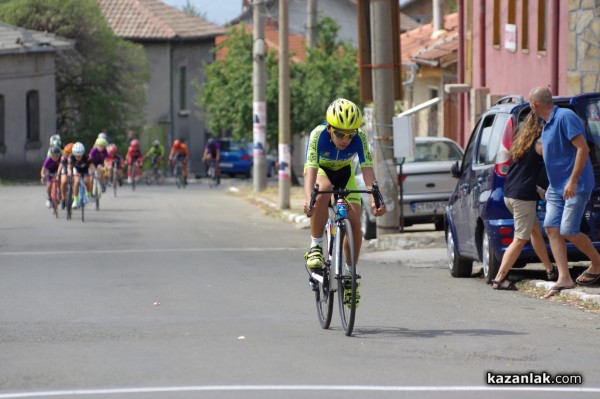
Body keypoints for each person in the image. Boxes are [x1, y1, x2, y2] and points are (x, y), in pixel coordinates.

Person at [302, 98, 386, 304]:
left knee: (355, 220)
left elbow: (367, 169)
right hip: (323, 171)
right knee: (323, 190)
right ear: (330, 128)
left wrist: (375, 198)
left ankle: (350, 276)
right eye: (339, 133)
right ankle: (316, 247)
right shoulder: (317, 135)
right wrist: (308, 200)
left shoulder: (361, 138)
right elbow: (310, 168)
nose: (345, 139)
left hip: (345, 172)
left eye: (350, 135)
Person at [529, 86, 600, 297]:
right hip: (556, 188)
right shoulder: (545, 125)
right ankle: (564, 277)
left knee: (568, 230)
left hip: (575, 186)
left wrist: (572, 180)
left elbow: (583, 149)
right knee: (551, 227)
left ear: (535, 104)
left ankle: (597, 263)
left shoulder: (565, 117)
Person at [492, 112, 557, 290]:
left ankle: (550, 270)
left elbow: (522, 172)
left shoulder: (520, 143)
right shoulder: (539, 144)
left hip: (510, 194)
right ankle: (499, 279)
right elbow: (553, 161)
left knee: (534, 230)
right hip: (522, 198)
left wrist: (537, 189)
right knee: (520, 239)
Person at [68, 142, 92, 209]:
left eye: (80, 156)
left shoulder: (87, 157)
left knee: (87, 181)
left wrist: (92, 172)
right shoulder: (71, 157)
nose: (78, 157)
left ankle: (88, 195)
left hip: (85, 169)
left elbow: (91, 166)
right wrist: (70, 172)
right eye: (76, 156)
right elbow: (69, 167)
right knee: (76, 182)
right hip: (76, 170)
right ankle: (75, 200)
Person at [58, 142, 74, 209]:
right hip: (65, 168)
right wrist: (58, 174)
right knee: (64, 181)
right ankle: (63, 199)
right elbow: (61, 166)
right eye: (66, 153)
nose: (67, 155)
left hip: (74, 168)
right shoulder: (64, 157)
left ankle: (75, 197)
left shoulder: (77, 156)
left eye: (69, 153)